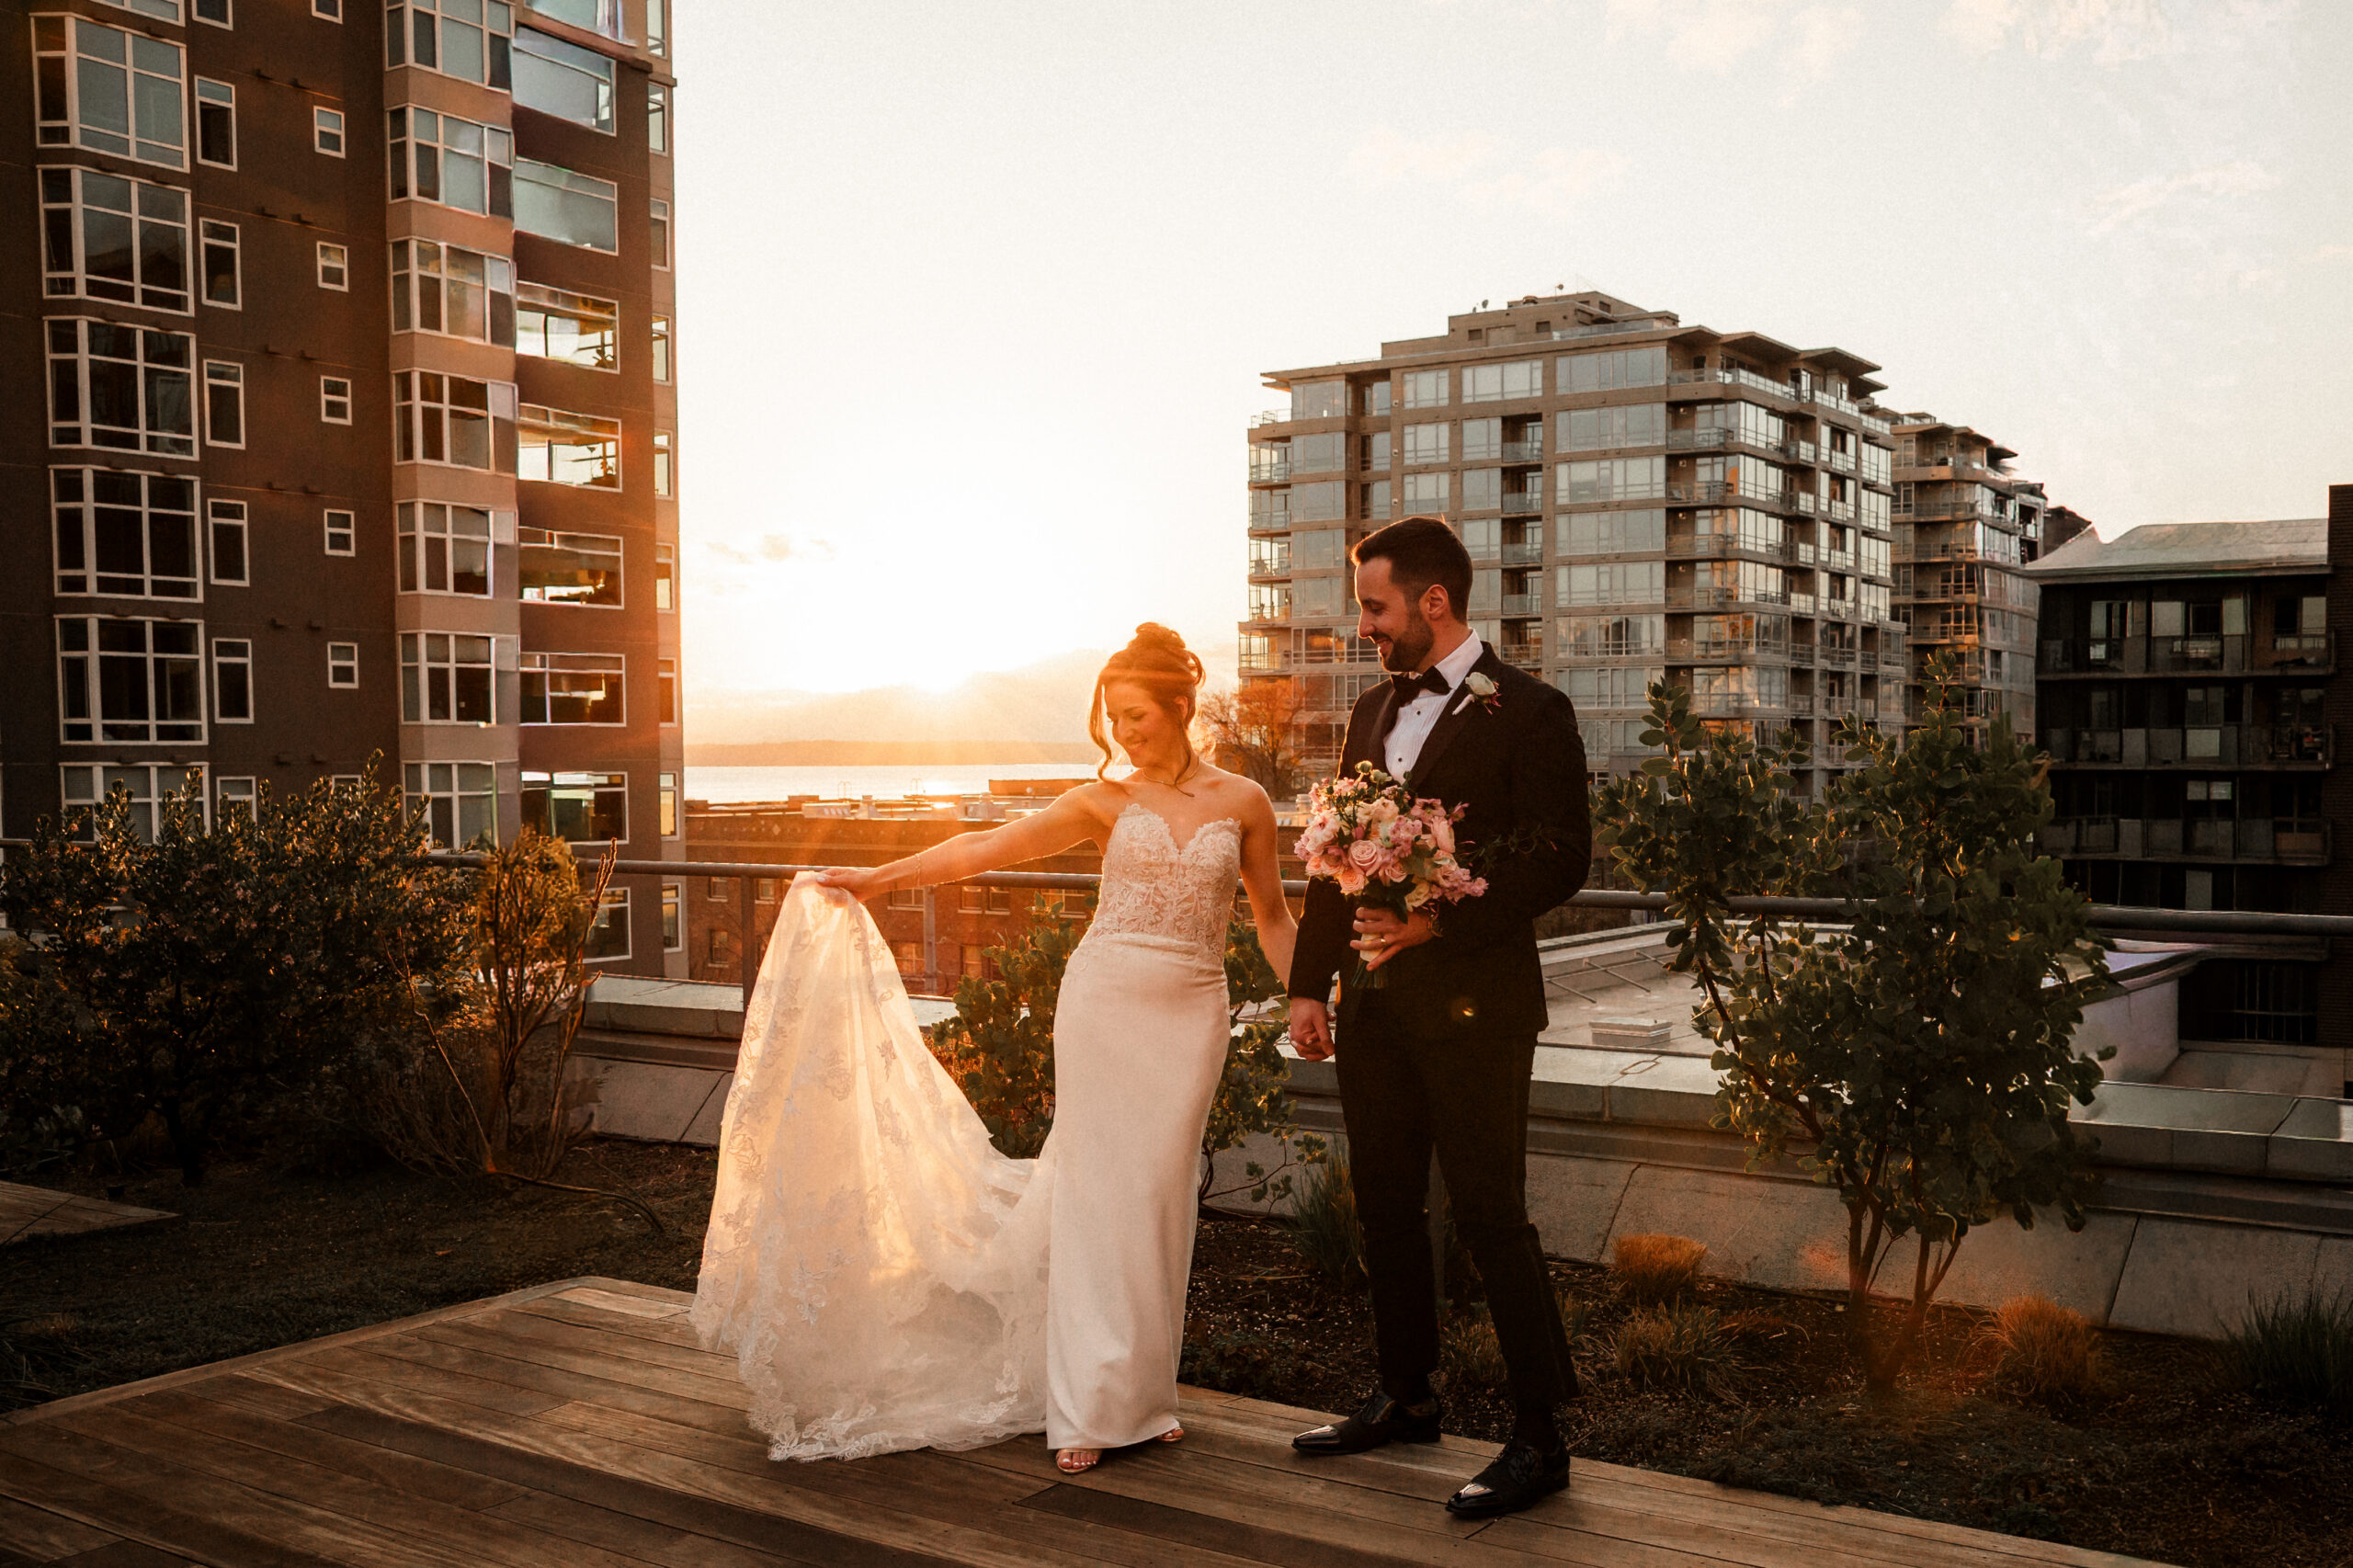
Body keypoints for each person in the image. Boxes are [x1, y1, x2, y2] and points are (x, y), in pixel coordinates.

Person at [690, 624, 1298, 1478]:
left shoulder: (1244, 802)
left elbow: (1271, 916)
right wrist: (875, 880)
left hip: (1192, 1010)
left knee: (1159, 1194)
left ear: (1181, 708)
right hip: (1104, 1004)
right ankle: (1086, 1404)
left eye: (1137, 716)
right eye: (1112, 718)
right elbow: (982, 847)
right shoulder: (1101, 803)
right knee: (1095, 1196)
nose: (1124, 732)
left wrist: (1311, 994)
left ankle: (1144, 1395)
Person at [1286, 517, 1591, 1519]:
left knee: (1492, 1216)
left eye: (1374, 606)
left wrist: (1434, 917)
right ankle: (1405, 1393)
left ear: (1432, 601)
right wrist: (1307, 981)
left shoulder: (1533, 710)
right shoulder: (1371, 707)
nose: (1364, 627)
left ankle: (1538, 1436)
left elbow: (1559, 860)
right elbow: (1338, 852)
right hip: (1373, 1006)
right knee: (1384, 1205)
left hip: (1477, 1005)